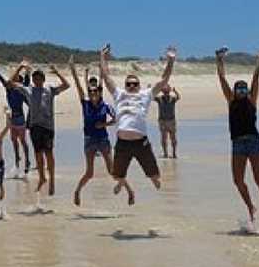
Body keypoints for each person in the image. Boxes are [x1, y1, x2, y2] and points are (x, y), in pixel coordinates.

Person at [99, 45, 174, 205]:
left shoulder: (145, 95)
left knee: (155, 175)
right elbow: (106, 76)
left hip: (141, 143)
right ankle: (121, 181)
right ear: (125, 85)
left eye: (135, 84)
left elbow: (164, 80)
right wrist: (102, 57)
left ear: (139, 85)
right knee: (116, 175)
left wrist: (171, 60)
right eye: (129, 84)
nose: (132, 86)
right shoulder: (119, 94)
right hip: (123, 143)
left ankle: (152, 179)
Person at [216, 49, 259, 224]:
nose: (241, 90)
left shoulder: (251, 101)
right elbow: (222, 79)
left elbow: (255, 80)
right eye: (238, 88)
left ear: (247, 91)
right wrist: (219, 60)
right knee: (238, 180)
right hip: (238, 144)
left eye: (243, 88)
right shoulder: (231, 101)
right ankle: (250, 206)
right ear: (234, 91)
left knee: (258, 178)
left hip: (254, 142)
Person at [7, 60, 70, 196]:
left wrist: (58, 72)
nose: (37, 79)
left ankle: (52, 180)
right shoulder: (28, 89)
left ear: (43, 79)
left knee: (49, 153)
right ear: (33, 79)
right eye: (35, 77)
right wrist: (20, 67)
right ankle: (42, 177)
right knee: (38, 153)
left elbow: (66, 85)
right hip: (35, 126)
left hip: (48, 127)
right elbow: (9, 83)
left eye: (39, 77)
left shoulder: (50, 89)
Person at [69, 57, 116, 207]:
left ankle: (128, 190)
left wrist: (105, 124)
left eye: (96, 91)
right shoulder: (85, 103)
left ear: (100, 92)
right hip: (89, 140)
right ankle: (77, 191)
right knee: (89, 173)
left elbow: (116, 119)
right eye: (91, 91)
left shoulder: (105, 106)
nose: (93, 92)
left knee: (112, 170)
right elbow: (79, 87)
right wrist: (73, 70)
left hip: (103, 140)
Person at [0, 59, 31, 175]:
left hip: (21, 119)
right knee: (14, 141)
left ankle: (27, 161)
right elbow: (0, 77)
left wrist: (27, 70)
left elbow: (27, 80)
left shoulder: (23, 90)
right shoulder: (8, 89)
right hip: (12, 119)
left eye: (17, 78)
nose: (14, 79)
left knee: (23, 141)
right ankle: (17, 160)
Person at [155, 85, 181, 158]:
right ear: (163, 92)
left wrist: (175, 91)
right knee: (165, 138)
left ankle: (173, 153)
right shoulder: (160, 99)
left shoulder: (172, 99)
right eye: (165, 91)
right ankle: (167, 153)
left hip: (170, 120)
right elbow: (151, 97)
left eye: (167, 91)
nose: (166, 93)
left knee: (172, 138)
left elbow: (178, 97)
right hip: (164, 121)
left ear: (169, 92)